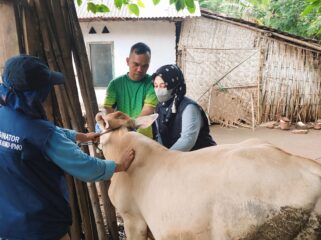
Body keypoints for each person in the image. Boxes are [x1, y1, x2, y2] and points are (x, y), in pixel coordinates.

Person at [0, 55, 135, 240]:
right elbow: (86, 168)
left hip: (8, 224)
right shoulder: (44, 135)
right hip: (43, 229)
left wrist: (80, 136)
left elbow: (39, 133)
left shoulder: (4, 116)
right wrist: (120, 165)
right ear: (38, 93)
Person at [152, 64, 216, 151]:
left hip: (201, 157)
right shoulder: (159, 107)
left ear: (173, 85)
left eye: (163, 85)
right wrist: (162, 154)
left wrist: (166, 158)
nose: (158, 90)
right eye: (156, 86)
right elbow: (159, 135)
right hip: (175, 158)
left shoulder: (189, 108)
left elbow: (187, 140)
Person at [103, 42, 158, 138]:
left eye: (144, 66)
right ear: (127, 61)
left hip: (144, 138)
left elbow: (148, 109)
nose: (140, 69)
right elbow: (108, 109)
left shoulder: (152, 83)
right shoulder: (115, 84)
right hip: (121, 135)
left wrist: (130, 126)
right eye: (136, 64)